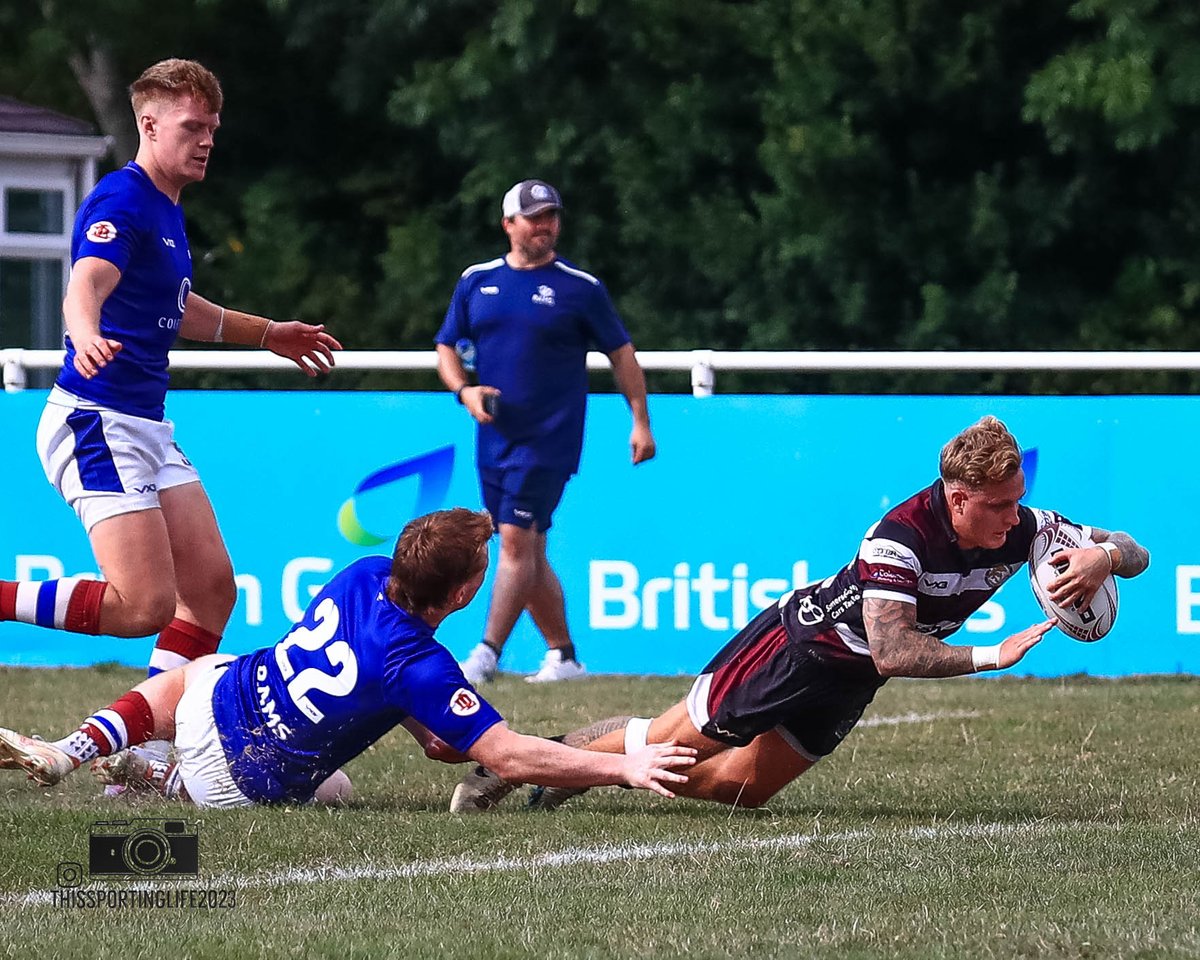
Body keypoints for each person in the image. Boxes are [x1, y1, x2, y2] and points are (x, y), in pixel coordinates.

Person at [447, 415, 1151, 813]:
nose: (1014, 516)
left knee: (741, 790)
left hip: (851, 679)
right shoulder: (900, 538)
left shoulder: (1023, 525)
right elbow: (895, 651)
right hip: (799, 647)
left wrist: (1104, 556)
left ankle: (569, 768)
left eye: (1018, 499)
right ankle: (527, 761)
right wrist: (992, 655)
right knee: (672, 746)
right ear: (958, 497)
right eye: (998, 505)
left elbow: (1137, 551)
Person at [0, 59, 341, 765]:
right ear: (149, 125)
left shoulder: (165, 208)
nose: (207, 139)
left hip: (145, 427)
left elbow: (181, 308)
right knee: (142, 607)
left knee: (211, 590)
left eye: (212, 127)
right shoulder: (123, 200)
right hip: (94, 420)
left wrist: (268, 333)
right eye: (192, 126)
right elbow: (84, 284)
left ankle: (145, 756)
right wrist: (84, 332)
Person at [0, 508, 695, 807]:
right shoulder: (420, 666)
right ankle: (165, 779)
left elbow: (393, 695)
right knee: (336, 792)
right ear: (460, 594)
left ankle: (72, 747)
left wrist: (430, 719)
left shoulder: (363, 573)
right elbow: (505, 756)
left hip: (219, 697)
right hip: (245, 782)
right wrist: (624, 768)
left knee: (194, 675)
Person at [435, 179, 656, 685]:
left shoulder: (580, 287)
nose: (545, 226)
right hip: (494, 440)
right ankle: (565, 656)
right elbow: (446, 345)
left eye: (551, 216)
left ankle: (486, 656)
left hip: (549, 439)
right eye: (534, 217)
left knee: (515, 541)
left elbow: (622, 355)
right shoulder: (477, 281)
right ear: (508, 224)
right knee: (527, 550)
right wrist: (465, 391)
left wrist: (640, 420)